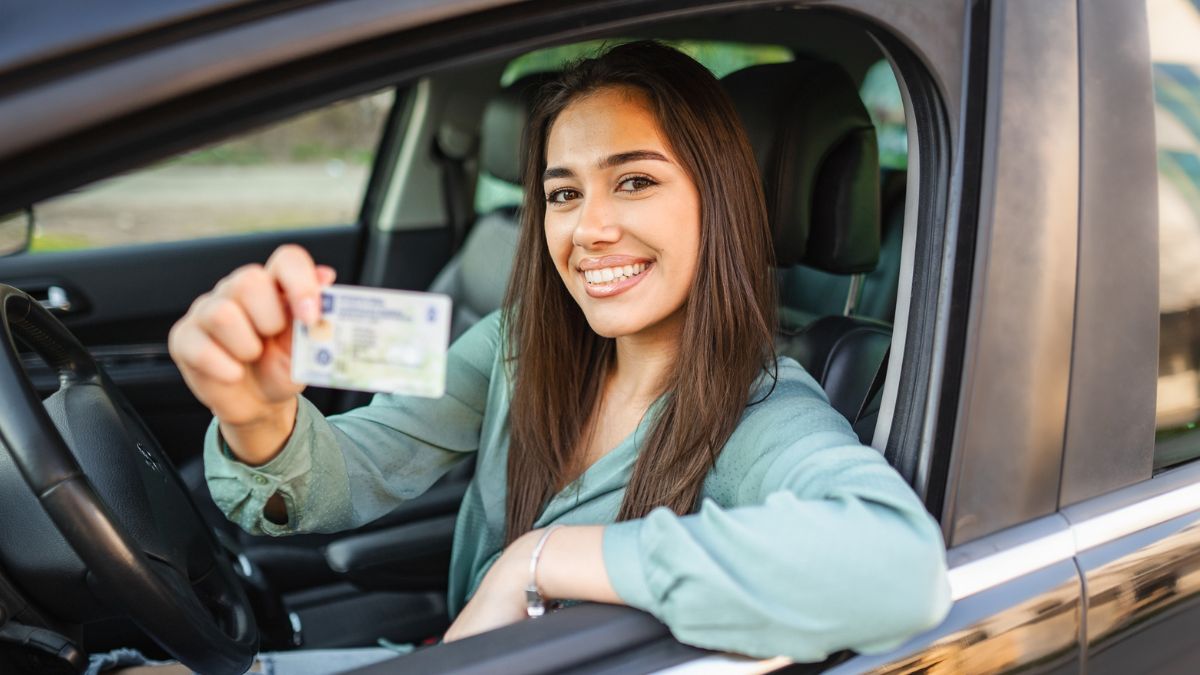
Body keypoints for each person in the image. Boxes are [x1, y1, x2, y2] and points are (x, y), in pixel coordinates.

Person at [159, 41, 950, 672]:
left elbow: (897, 567)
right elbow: (345, 472)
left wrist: (539, 559)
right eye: (564, 193)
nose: (588, 229)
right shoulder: (513, 344)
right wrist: (257, 413)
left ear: (722, 202)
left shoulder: (763, 409)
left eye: (634, 181)